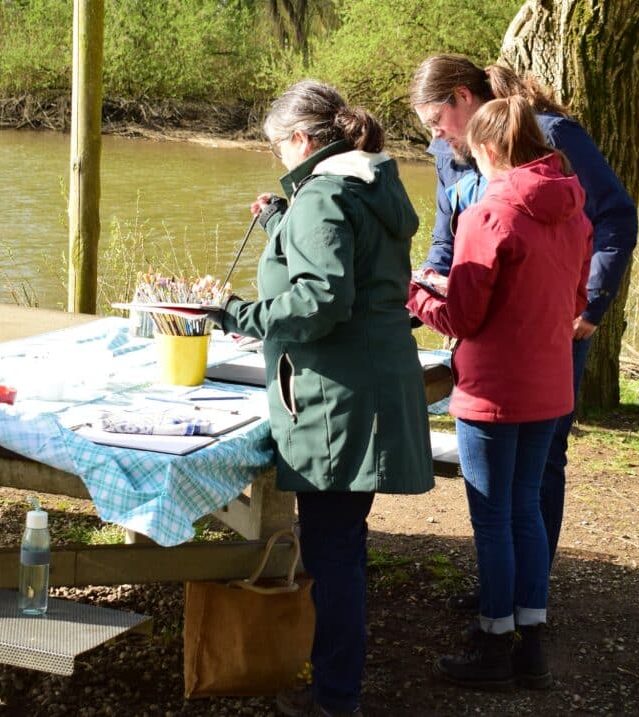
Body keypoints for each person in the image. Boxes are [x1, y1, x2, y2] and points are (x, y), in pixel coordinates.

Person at [211, 80, 435, 717]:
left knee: (334, 553)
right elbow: (353, 264)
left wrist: (237, 313)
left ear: (302, 140)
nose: (279, 160)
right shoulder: (365, 184)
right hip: (371, 381)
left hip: (339, 398)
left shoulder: (323, 194)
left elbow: (321, 301)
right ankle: (340, 685)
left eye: (279, 148)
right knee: (344, 545)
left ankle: (336, 699)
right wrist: (285, 219)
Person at [410, 55, 639, 605]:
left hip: (554, 328)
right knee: (503, 478)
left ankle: (527, 595)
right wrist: (435, 282)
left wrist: (590, 304)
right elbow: (448, 233)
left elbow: (612, 218)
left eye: (436, 119)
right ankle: (506, 589)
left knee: (537, 464)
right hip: (485, 328)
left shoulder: (551, 133)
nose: (436, 134)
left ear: (464, 98)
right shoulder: (450, 151)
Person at [407, 96, 592, 689]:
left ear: (489, 150)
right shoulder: (575, 210)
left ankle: (492, 645)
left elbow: (462, 316)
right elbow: (576, 300)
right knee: (526, 509)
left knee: (493, 517)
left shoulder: (488, 214)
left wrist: (418, 291)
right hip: (549, 382)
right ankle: (529, 646)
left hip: (493, 390)